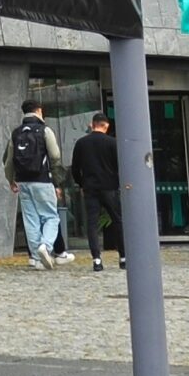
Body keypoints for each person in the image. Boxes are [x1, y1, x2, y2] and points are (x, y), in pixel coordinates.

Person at [5, 100, 64, 269]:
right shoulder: (45, 130)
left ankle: (37, 260)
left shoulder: (16, 133)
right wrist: (57, 181)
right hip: (42, 179)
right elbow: (55, 156)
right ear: (39, 110)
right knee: (51, 216)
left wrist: (11, 180)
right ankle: (46, 246)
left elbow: (8, 161)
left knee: (30, 219)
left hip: (22, 181)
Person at [68, 112, 124, 272]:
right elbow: (120, 165)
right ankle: (123, 257)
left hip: (90, 188)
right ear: (106, 126)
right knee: (117, 220)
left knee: (92, 224)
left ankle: (97, 259)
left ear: (92, 125)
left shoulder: (81, 143)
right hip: (110, 187)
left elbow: (75, 168)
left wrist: (81, 183)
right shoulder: (112, 143)